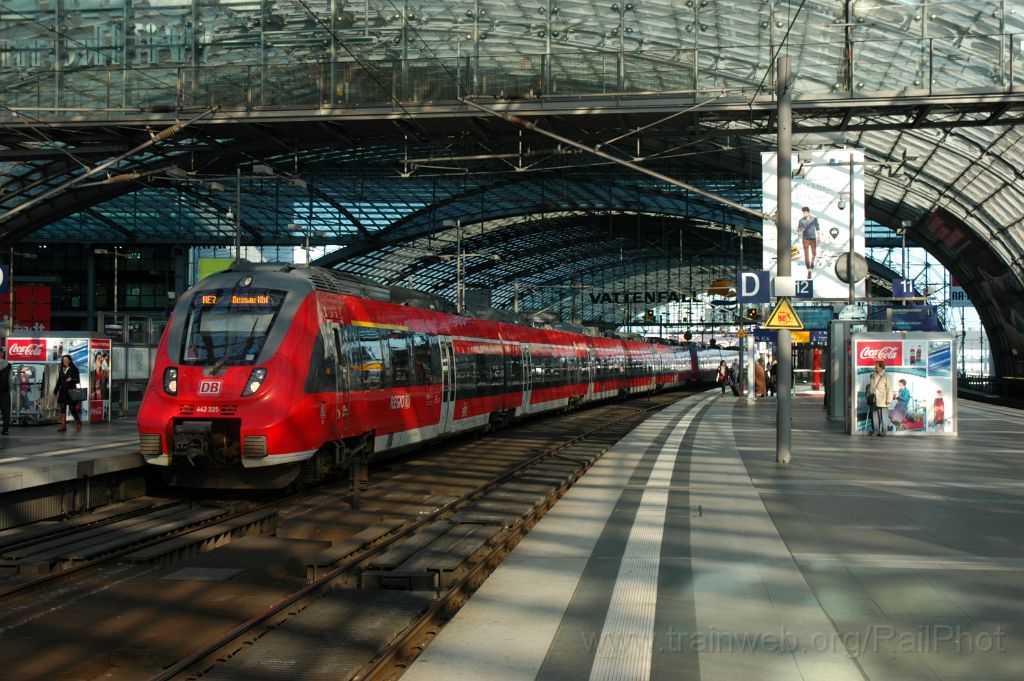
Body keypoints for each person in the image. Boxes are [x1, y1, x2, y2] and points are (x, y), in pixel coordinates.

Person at [53, 354, 83, 432]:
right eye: (63, 360)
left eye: (66, 360)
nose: (65, 361)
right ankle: (63, 426)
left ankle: (78, 421)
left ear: (69, 361)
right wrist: (55, 391)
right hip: (63, 392)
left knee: (72, 409)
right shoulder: (62, 369)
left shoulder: (74, 369)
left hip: (71, 392)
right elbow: (59, 381)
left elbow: (78, 380)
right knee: (62, 408)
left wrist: (72, 379)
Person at [866, 360, 891, 436]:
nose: (875, 367)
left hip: (883, 400)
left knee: (883, 416)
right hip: (874, 400)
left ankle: (884, 431)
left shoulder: (886, 376)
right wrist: (869, 396)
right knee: (875, 416)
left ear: (881, 367)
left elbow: (889, 389)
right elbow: (871, 387)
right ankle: (876, 431)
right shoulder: (873, 376)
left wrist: (888, 400)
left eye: (876, 366)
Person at [797, 206, 820, 280]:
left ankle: (812, 262)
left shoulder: (814, 219)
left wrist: (819, 237)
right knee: (806, 254)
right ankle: (809, 270)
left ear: (808, 212)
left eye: (806, 213)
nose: (805, 214)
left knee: (814, 253)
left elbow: (817, 228)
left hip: (813, 238)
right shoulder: (801, 220)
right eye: (803, 213)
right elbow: (799, 230)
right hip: (805, 239)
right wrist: (800, 231)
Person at [0, 349, 10, 435]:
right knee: (5, 411)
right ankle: (5, 429)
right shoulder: (8, 365)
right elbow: (10, 379)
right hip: (4, 391)